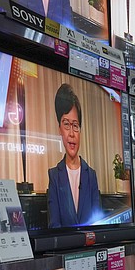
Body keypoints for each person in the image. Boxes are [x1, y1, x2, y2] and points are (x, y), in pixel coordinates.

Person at [47, 83, 101, 228]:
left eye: (75, 125)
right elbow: (54, 224)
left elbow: (97, 221)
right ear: (59, 129)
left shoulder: (91, 175)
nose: (71, 133)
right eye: (66, 124)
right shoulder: (54, 176)